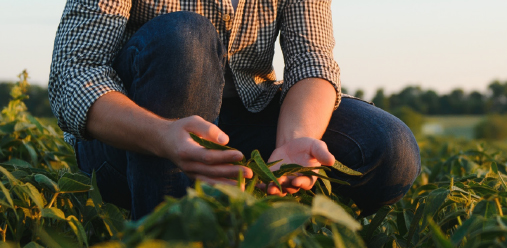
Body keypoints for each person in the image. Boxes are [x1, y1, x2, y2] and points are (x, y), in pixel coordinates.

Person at [48, 0, 420, 219]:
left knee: (388, 148)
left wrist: (295, 143)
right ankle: (165, 244)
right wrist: (161, 135)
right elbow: (75, 71)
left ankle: (277, 230)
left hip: (244, 116)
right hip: (136, 136)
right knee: (184, 38)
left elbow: (312, 61)